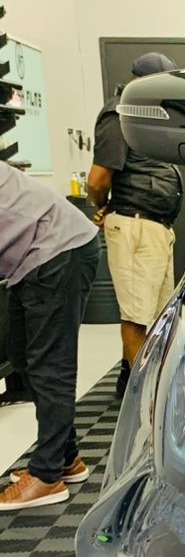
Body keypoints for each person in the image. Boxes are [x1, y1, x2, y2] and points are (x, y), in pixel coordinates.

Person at [0, 160, 100, 510]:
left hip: (57, 249)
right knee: (22, 355)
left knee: (49, 364)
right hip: (31, 256)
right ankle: (65, 457)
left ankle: (46, 476)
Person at [87, 52, 183, 392]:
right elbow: (98, 180)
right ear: (143, 82)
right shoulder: (120, 114)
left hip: (152, 226)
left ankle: (139, 383)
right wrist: (102, 206)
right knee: (136, 318)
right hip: (135, 225)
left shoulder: (145, 114)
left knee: (156, 317)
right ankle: (144, 401)